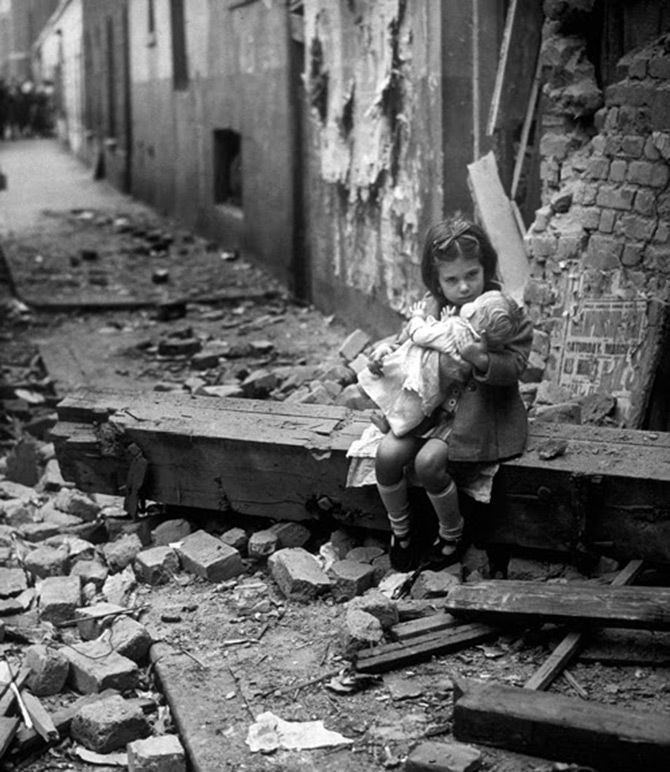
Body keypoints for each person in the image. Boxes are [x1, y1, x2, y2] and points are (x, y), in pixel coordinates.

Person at [366, 216, 533, 572]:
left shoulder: (504, 310)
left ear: (485, 267)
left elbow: (517, 364)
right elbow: (408, 340)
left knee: (429, 464)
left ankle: (452, 533)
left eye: (472, 275)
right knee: (387, 455)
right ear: (436, 280)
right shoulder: (431, 305)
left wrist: (482, 359)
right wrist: (384, 353)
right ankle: (402, 530)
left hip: (477, 414)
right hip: (427, 407)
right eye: (451, 279)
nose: (463, 287)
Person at [358, 289, 524, 438]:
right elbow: (447, 347)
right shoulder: (479, 346)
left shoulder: (454, 330)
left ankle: (379, 412)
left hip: (417, 375)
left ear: (474, 314)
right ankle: (389, 423)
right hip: (437, 390)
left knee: (383, 388)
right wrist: (446, 320)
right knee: (410, 410)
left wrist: (417, 316)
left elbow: (419, 335)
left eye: (476, 305)